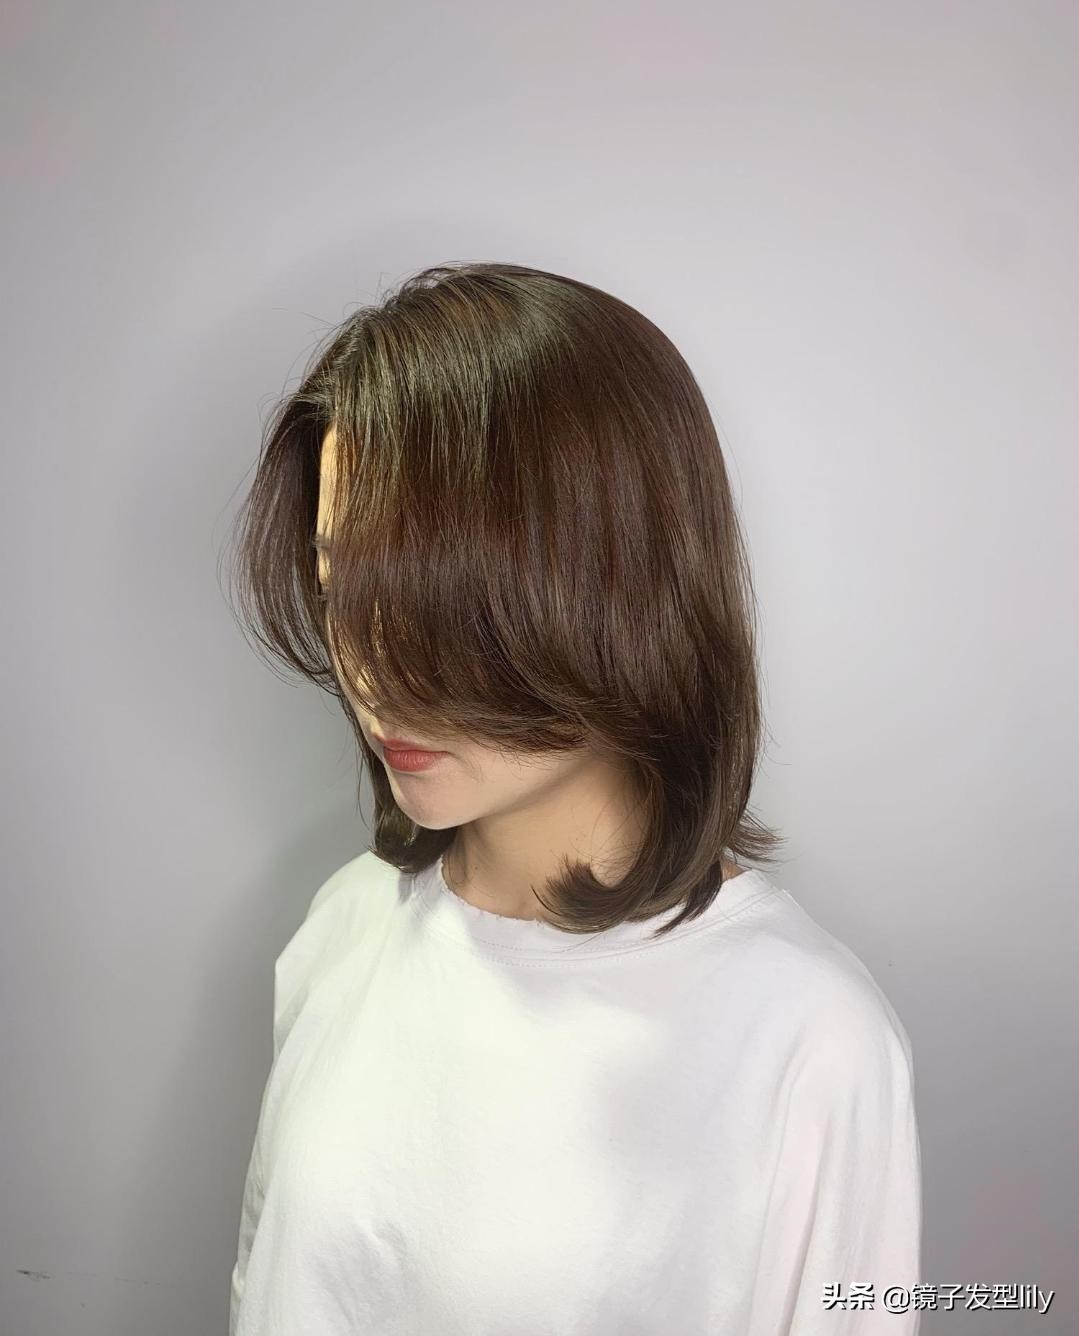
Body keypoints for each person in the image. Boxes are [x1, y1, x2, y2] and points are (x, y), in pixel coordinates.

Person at [224, 261, 922, 1334]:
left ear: (624, 582)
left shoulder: (805, 1037)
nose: (371, 667)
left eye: (444, 600)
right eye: (339, 585)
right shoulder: (346, 922)